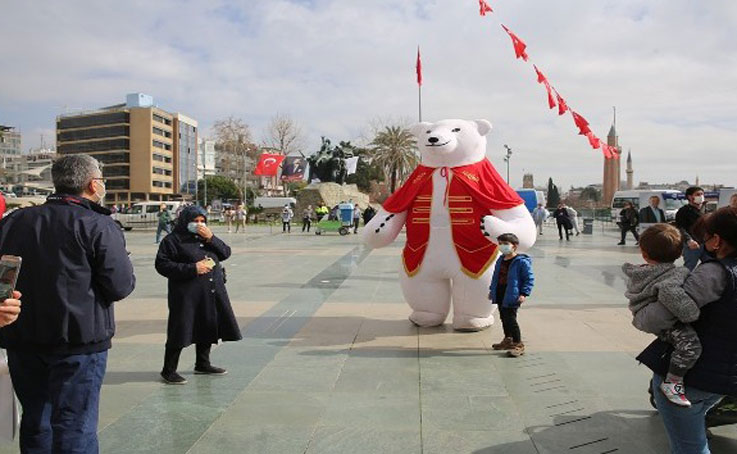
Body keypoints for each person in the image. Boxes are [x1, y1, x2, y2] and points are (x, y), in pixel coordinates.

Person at [0, 154, 136, 452]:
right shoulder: (97, 224)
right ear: (92, 184)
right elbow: (120, 285)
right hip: (79, 342)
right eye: (101, 178)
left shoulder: (15, 221)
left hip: (23, 338)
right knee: (75, 426)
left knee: (36, 420)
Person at [636, 207, 737, 454]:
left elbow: (658, 318)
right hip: (725, 373)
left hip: (696, 376)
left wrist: (640, 315)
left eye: (707, 235)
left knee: (689, 447)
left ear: (716, 240)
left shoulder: (714, 273)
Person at [155, 206, 242, 385]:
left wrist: (211, 238)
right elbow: (162, 265)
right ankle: (169, 370)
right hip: (186, 294)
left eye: (202, 221)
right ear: (185, 221)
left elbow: (225, 253)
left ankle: (203, 363)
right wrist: (192, 268)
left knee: (207, 324)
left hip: (210, 291)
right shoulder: (173, 240)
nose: (199, 224)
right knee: (181, 328)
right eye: (195, 221)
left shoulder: (207, 238)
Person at [623, 224, 701, 406]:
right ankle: (673, 382)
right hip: (665, 322)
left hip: (644, 315)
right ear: (680, 253)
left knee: (671, 345)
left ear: (644, 253)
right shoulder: (672, 275)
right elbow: (669, 292)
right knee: (691, 347)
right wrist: (691, 313)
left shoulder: (641, 272)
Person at [488, 233, 535, 358]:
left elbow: (529, 279)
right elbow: (495, 277)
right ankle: (508, 340)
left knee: (511, 319)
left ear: (514, 246)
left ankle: (518, 344)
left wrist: (524, 293)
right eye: (500, 244)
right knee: (503, 317)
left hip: (512, 294)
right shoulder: (501, 259)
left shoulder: (521, 262)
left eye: (505, 244)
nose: (502, 246)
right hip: (500, 291)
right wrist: (492, 290)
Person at [675, 186, 705, 271]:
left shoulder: (705, 210)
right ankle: (683, 283)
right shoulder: (683, 211)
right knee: (689, 268)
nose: (701, 196)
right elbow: (680, 228)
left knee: (712, 265)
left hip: (706, 244)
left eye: (702, 194)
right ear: (690, 197)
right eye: (698, 194)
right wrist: (689, 240)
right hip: (692, 245)